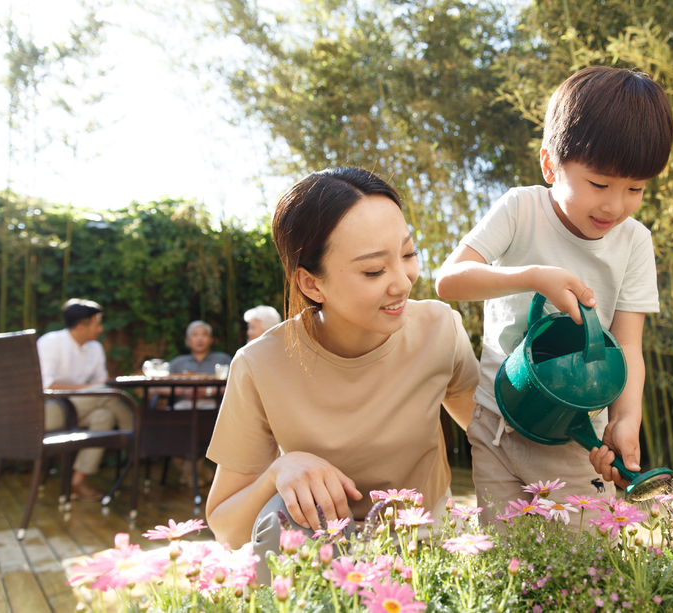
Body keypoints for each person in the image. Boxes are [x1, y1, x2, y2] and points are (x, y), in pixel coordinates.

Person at [436, 66, 673, 524]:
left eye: (635, 189)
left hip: (576, 430)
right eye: (599, 184)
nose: (615, 205)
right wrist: (534, 277)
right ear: (549, 165)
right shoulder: (520, 209)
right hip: (497, 422)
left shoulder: (635, 242)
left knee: (585, 553)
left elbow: (628, 344)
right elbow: (450, 280)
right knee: (503, 551)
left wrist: (626, 420)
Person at [205, 168, 479, 564]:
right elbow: (226, 528)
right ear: (311, 284)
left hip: (425, 557)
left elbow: (495, 439)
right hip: (318, 565)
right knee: (279, 517)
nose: (403, 283)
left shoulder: (439, 330)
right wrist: (279, 470)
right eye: (374, 270)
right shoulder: (260, 364)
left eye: (407, 254)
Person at [36, 299, 135, 501]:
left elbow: (102, 382)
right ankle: (137, 434)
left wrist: (97, 387)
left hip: (80, 409)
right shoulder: (50, 342)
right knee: (103, 392)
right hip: (48, 410)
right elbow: (47, 385)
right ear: (81, 327)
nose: (101, 329)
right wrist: (89, 388)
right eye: (97, 324)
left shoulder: (95, 348)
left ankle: (78, 479)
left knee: (103, 416)